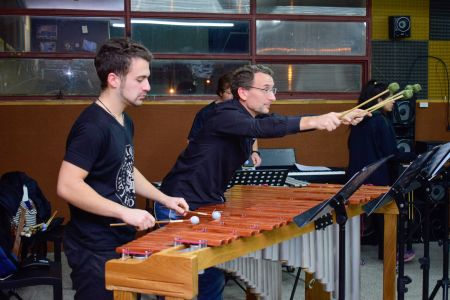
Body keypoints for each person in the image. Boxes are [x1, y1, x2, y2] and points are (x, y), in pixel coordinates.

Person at [155, 64, 370, 299]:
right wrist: (317, 120)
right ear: (243, 93)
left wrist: (340, 117)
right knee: (185, 282)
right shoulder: (223, 114)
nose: (273, 96)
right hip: (179, 202)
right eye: (266, 89)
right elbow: (262, 127)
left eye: (273, 89)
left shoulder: (250, 116)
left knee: (211, 280)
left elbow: (280, 122)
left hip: (209, 202)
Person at [56, 38, 189, 300]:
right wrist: (125, 212)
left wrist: (164, 198)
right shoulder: (93, 126)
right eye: (140, 79)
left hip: (120, 238)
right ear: (114, 79)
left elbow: (125, 169)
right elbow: (68, 185)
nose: (147, 87)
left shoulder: (124, 120)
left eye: (147, 78)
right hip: (93, 246)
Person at [347, 79, 417, 262]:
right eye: (390, 97)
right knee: (385, 217)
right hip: (376, 178)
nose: (393, 101)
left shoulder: (358, 120)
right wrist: (416, 157)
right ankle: (390, 253)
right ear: (379, 101)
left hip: (355, 178)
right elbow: (391, 153)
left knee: (357, 219)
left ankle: (352, 255)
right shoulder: (380, 121)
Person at [187, 73, 262, 166]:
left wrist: (254, 152)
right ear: (220, 92)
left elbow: (252, 134)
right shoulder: (206, 113)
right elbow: (192, 141)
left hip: (240, 163)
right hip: (214, 164)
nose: (233, 96)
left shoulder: (243, 110)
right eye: (229, 93)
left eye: (236, 92)